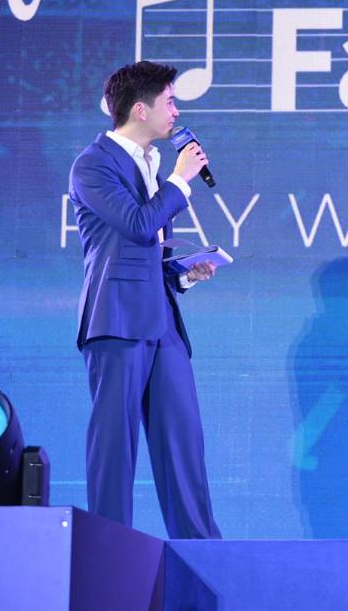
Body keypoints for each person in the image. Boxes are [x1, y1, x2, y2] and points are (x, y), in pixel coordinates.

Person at [69, 60, 222, 538]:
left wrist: (185, 275)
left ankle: (202, 552)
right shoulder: (93, 164)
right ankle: (110, 551)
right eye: (169, 102)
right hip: (116, 321)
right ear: (140, 109)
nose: (176, 112)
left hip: (162, 321)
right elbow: (137, 225)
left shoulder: (152, 163)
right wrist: (180, 180)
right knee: (115, 447)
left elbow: (146, 251)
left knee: (183, 444)